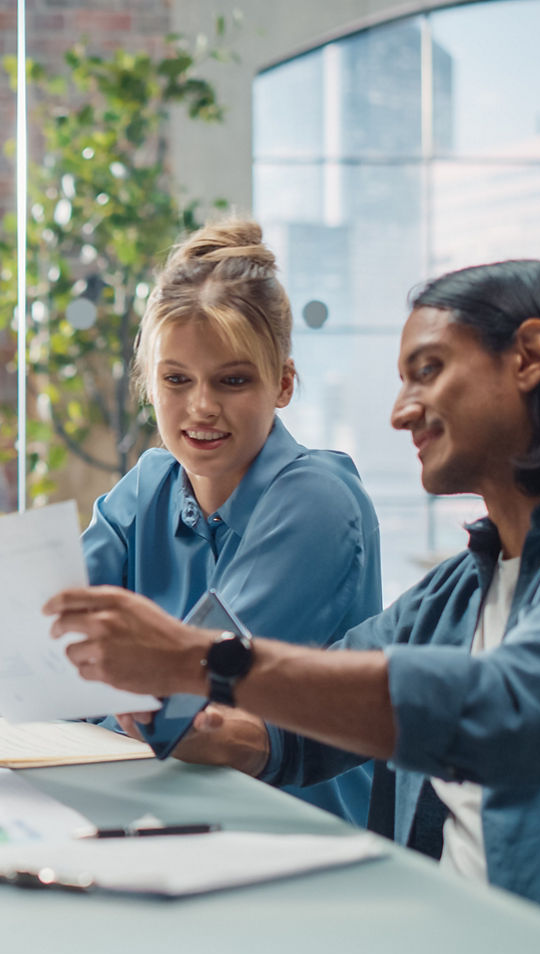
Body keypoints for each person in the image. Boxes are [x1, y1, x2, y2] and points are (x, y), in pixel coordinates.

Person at [46, 260, 540, 954]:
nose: (400, 412)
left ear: (530, 357)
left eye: (427, 371)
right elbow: (314, 709)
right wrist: (224, 733)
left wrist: (199, 660)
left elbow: (504, 712)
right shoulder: (469, 585)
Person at [84, 220, 378, 824]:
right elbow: (41, 647)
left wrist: (95, 693)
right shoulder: (147, 486)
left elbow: (191, 695)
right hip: (158, 808)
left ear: (284, 384)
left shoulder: (317, 503)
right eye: (176, 380)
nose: (201, 407)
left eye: (233, 381)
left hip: (294, 838)